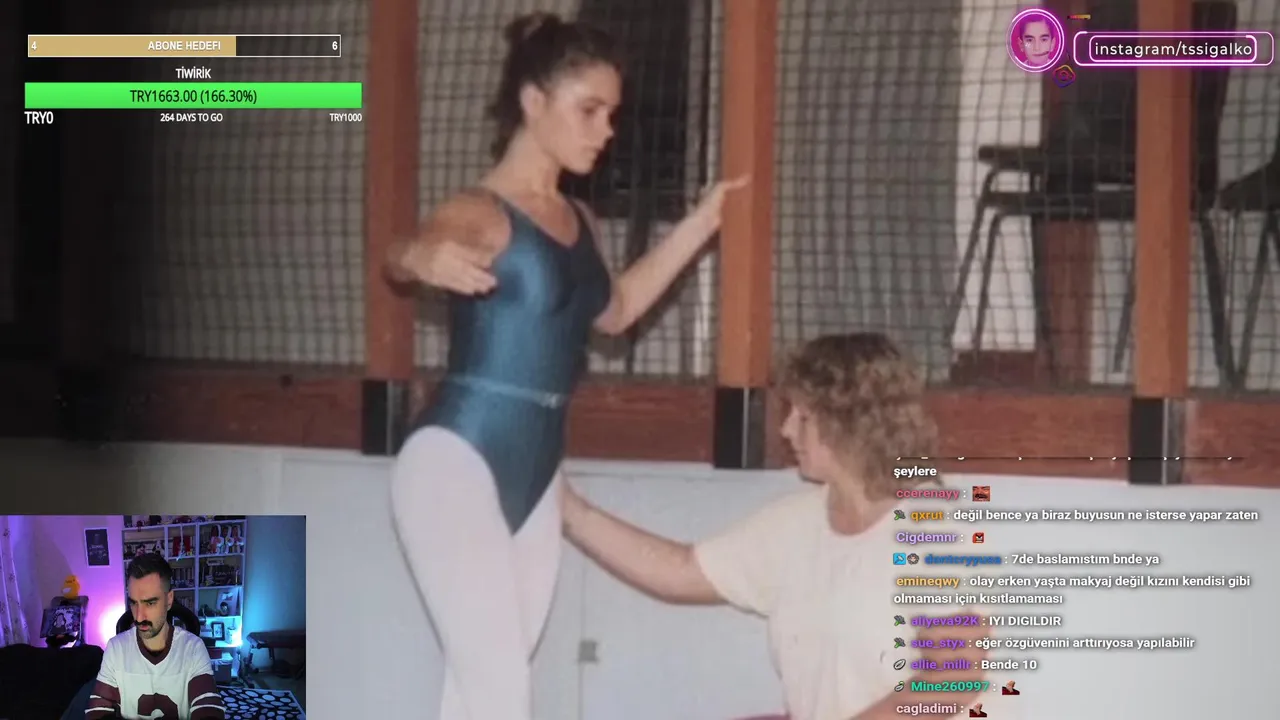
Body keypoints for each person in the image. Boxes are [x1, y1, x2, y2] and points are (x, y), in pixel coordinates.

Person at [384, 11, 746, 720]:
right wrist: (418, 256)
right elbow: (407, 254)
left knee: (485, 686)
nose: (605, 130)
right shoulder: (482, 211)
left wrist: (701, 224)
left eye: (611, 114)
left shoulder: (580, 218)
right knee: (499, 689)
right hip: (455, 461)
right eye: (589, 110)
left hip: (539, 471)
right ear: (533, 101)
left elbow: (618, 310)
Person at [560, 333, 993, 720]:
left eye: (802, 417)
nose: (785, 430)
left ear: (849, 424)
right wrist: (569, 510)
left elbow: (955, 677)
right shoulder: (796, 524)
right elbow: (680, 571)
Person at [83, 554, 224, 719]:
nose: (139, 617)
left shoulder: (193, 649)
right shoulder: (116, 649)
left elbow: (208, 709)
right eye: (134, 603)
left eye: (150, 603)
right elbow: (98, 711)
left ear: (169, 600)